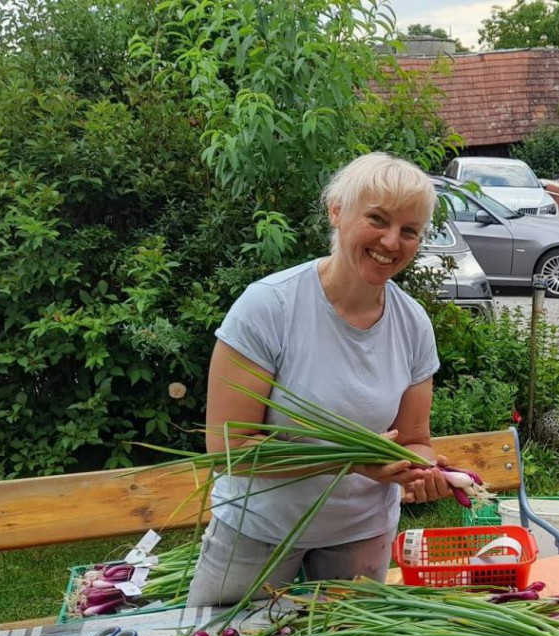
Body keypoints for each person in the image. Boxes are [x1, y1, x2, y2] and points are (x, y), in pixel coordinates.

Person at [186, 152, 452, 607]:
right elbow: (230, 449)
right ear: (337, 212)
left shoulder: (412, 323)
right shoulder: (270, 307)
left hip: (361, 536)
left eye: (409, 230)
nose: (392, 241)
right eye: (377, 219)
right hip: (258, 534)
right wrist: (345, 463)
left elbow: (414, 438)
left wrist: (421, 469)